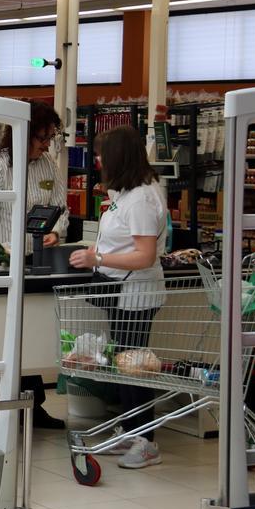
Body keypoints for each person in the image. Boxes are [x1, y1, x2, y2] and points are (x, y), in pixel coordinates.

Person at [0, 100, 70, 432]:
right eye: (41, 138)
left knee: (29, 331)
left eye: (50, 138)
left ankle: (33, 406)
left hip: (32, 261)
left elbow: (62, 208)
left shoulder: (47, 165)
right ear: (22, 134)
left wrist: (54, 230)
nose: (45, 145)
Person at [68, 124, 168, 469]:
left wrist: (98, 258)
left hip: (137, 294)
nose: (96, 161)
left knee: (133, 369)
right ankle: (131, 430)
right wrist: (96, 249)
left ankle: (147, 441)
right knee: (124, 366)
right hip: (123, 292)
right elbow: (124, 241)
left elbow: (144, 255)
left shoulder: (141, 198)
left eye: (100, 155)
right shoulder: (129, 192)